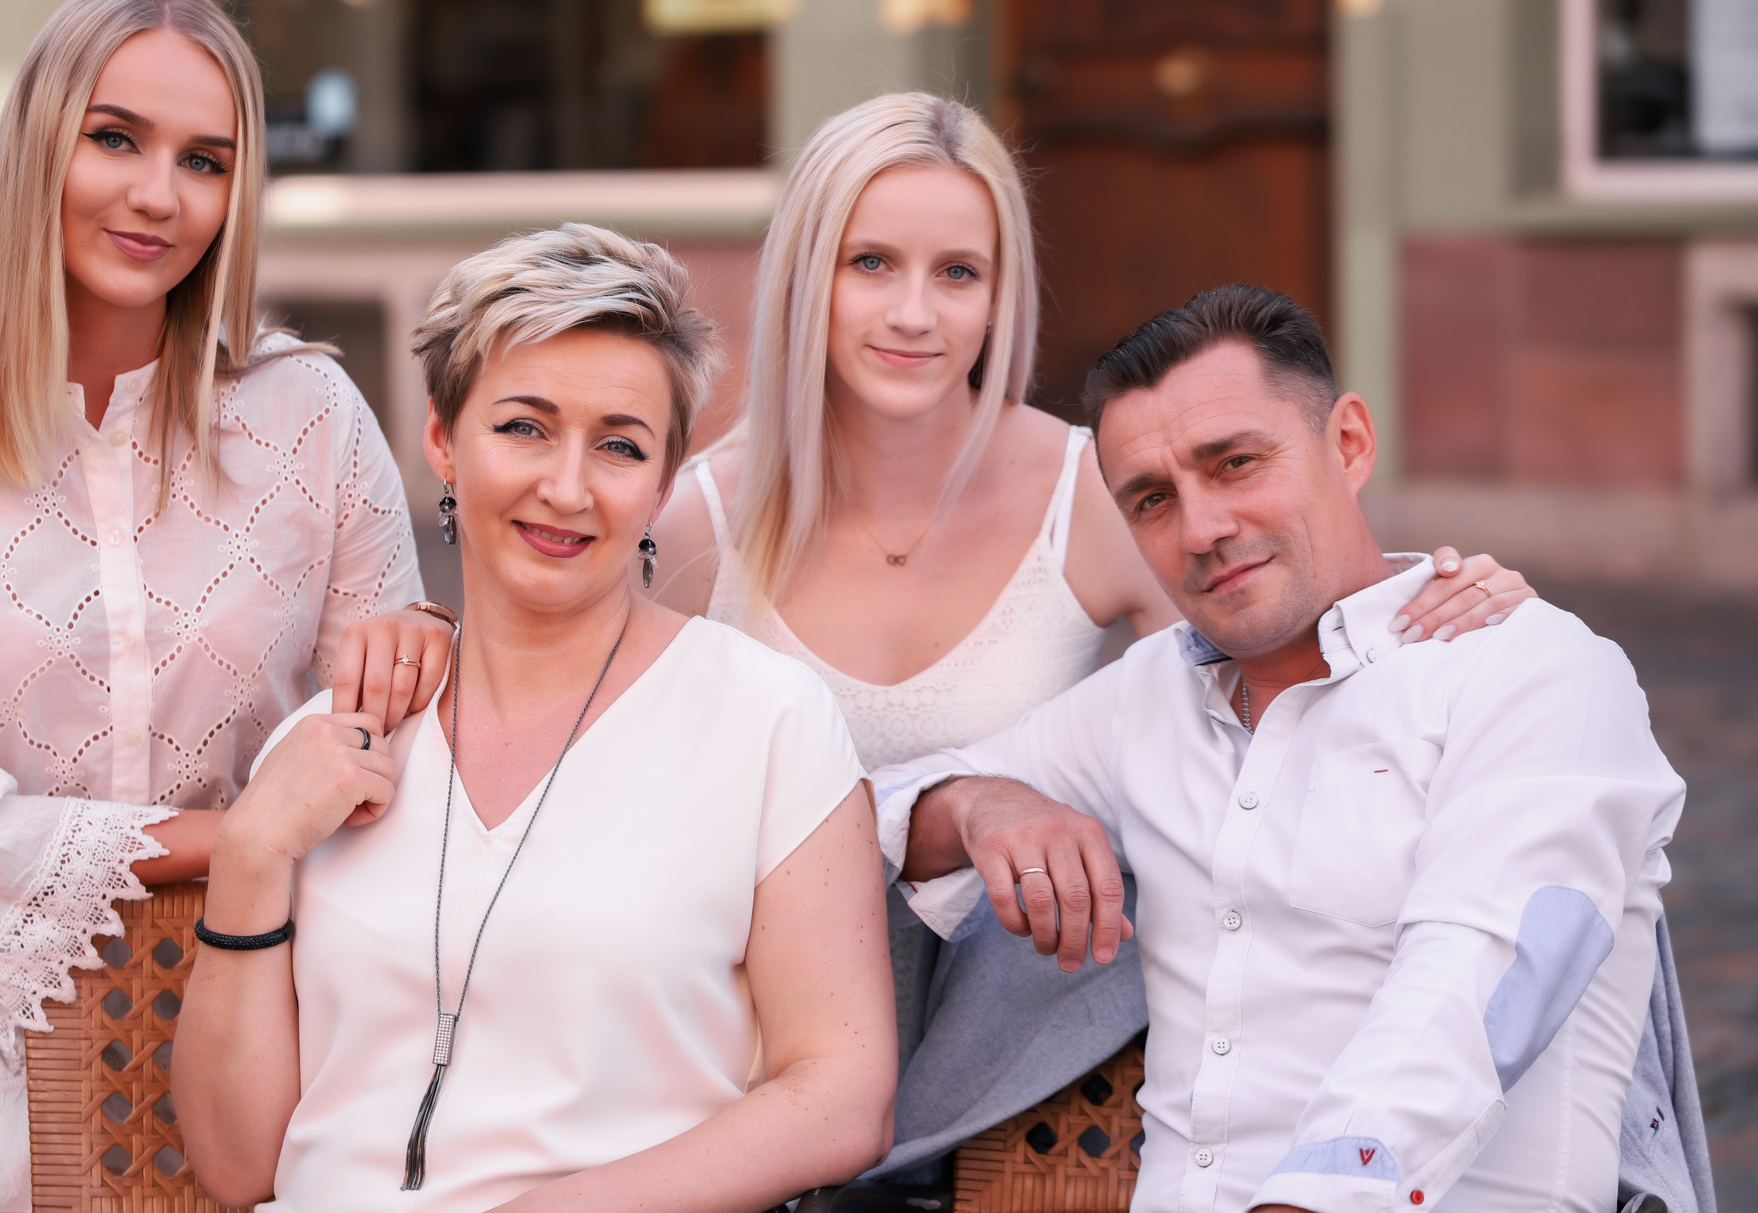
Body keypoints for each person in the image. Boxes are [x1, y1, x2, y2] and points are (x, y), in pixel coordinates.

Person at [649, 92, 1537, 1177]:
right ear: (803, 276)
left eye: (957, 273)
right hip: (744, 1055)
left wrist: (1421, 600)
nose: (914, 314)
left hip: (1014, 1081)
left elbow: (1277, 669)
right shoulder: (692, 522)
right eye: (869, 263)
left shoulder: (1093, 492)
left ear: (1000, 295)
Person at [0, 0, 453, 1212]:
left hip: (267, 1038)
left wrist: (419, 650)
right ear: (38, 143)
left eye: (205, 161)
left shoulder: (311, 416)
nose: (159, 195)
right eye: (114, 138)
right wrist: (237, 838)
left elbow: (382, 748)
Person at [875, 285, 1687, 1211]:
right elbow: (854, 819)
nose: (1202, 530)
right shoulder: (1146, 698)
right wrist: (975, 804)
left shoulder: (1529, 668)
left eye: (1235, 463)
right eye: (1152, 499)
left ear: (1350, 443)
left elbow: (1477, 985)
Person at [174, 224, 897, 1211]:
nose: (565, 487)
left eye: (619, 446)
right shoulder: (334, 739)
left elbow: (843, 1098)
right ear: (442, 441)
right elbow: (235, 1167)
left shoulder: (766, 720)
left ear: (661, 485)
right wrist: (250, 856)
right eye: (523, 428)